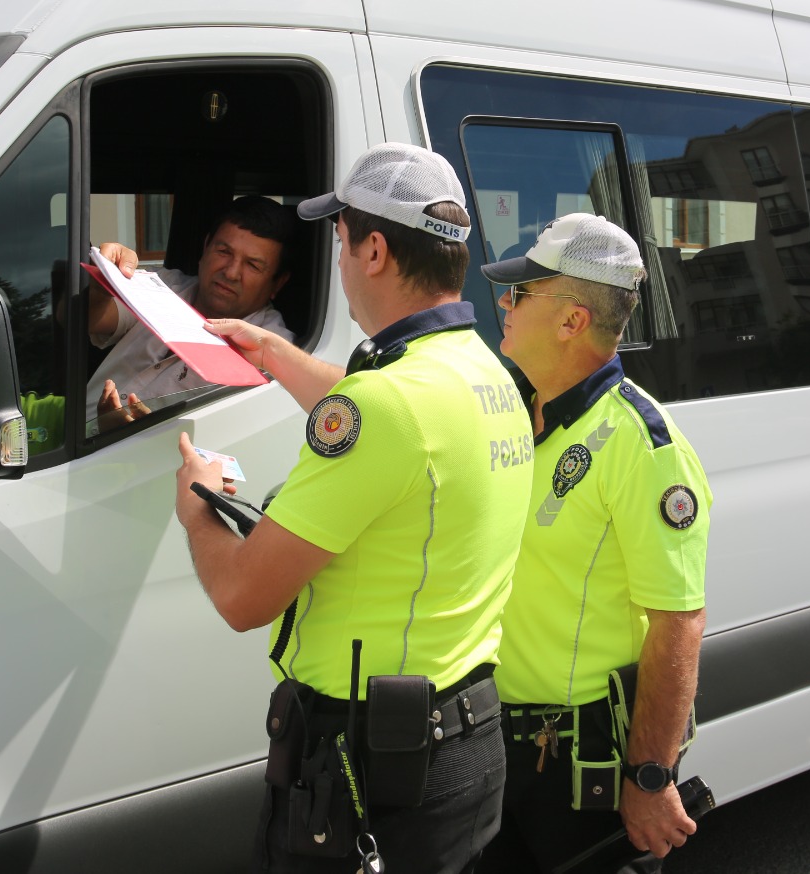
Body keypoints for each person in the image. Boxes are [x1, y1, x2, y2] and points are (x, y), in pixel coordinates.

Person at [173, 143, 535, 873]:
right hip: (464, 744)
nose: (337, 261)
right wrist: (271, 352)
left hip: (368, 769)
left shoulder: (386, 407)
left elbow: (244, 597)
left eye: (339, 242)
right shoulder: (483, 372)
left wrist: (197, 514)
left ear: (374, 249)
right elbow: (388, 417)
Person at [475, 213, 711, 874]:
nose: (505, 303)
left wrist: (650, 776)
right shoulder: (522, 416)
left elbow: (679, 622)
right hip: (499, 746)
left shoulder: (642, 444)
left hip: (582, 765)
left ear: (571, 320)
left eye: (521, 292)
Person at [87, 195, 299, 428]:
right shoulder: (163, 284)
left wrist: (134, 433)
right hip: (68, 437)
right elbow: (94, 319)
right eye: (224, 252)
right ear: (205, 247)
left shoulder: (272, 351)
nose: (231, 272)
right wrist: (101, 285)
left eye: (253, 265)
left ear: (278, 283)